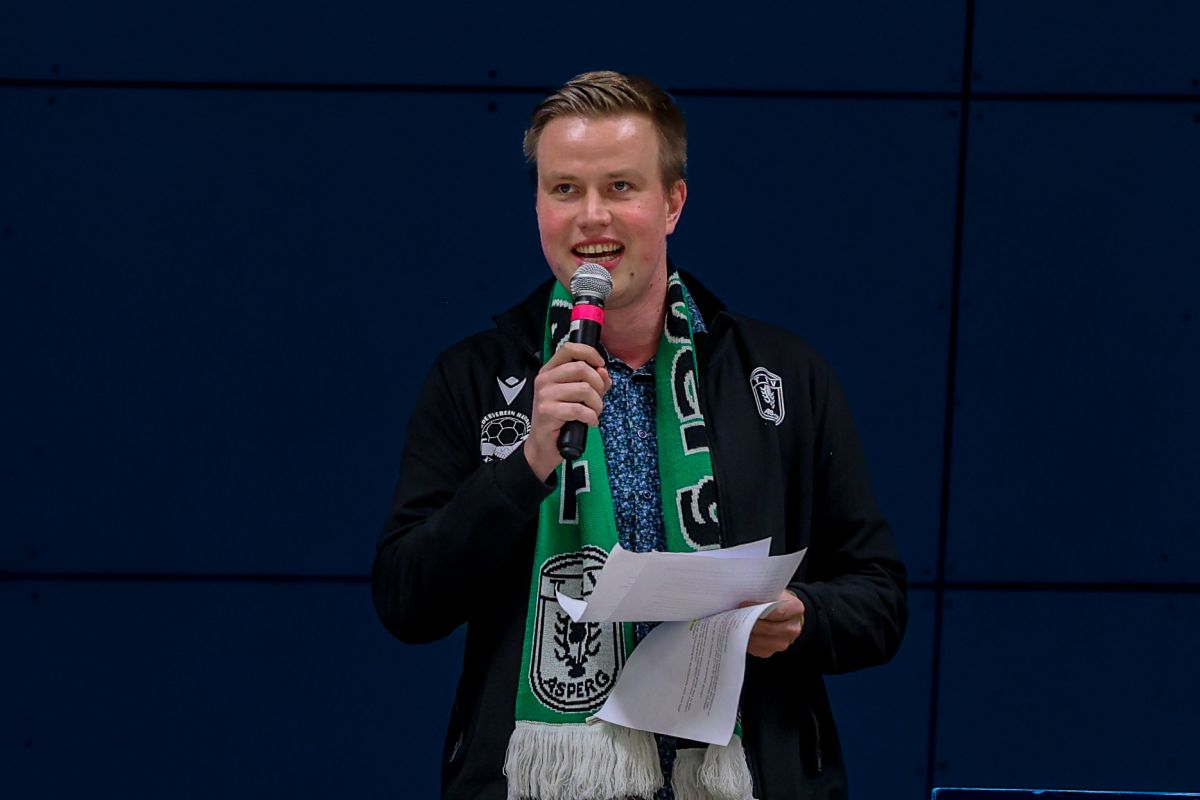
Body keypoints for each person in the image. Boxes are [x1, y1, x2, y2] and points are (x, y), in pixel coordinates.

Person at [373, 70, 907, 800]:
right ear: (539, 205)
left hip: (742, 777)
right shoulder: (473, 378)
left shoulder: (782, 374)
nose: (591, 217)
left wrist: (804, 618)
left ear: (672, 203)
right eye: (565, 189)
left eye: (620, 187)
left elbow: (880, 597)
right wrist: (526, 463)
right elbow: (407, 602)